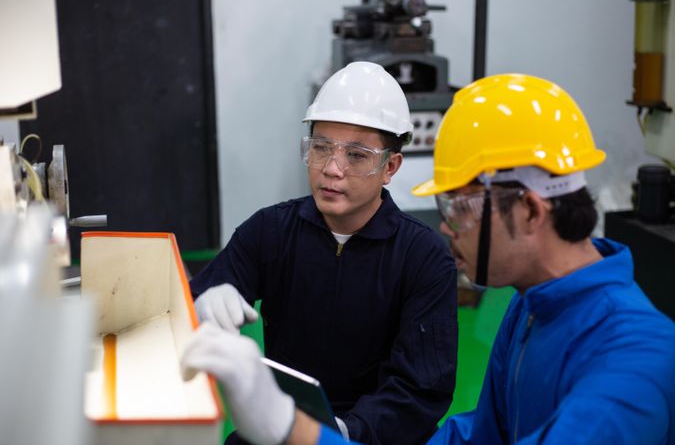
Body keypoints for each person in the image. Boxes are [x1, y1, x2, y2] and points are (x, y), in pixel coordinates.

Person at [182, 73, 675, 445]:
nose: (445, 226)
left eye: (458, 207)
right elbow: (478, 436)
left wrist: (301, 430)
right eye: (322, 147)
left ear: (528, 209)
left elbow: (418, 394)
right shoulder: (530, 308)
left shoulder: (633, 364)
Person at [188, 61, 458, 445]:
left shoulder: (424, 258)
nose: (332, 169)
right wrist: (200, 306)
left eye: (357, 155)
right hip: (278, 423)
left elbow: (420, 389)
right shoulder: (270, 231)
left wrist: (342, 434)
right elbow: (187, 312)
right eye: (321, 148)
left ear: (390, 167)